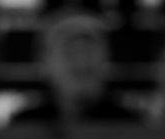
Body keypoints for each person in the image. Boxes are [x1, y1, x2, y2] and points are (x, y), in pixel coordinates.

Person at [10, 10, 139, 126]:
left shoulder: (133, 126)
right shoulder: (23, 125)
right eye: (70, 51)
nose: (82, 61)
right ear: (44, 63)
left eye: (90, 50)